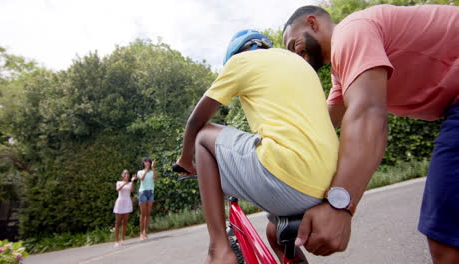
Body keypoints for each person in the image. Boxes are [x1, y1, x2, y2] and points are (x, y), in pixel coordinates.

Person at [283, 4, 459, 263]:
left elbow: (367, 114)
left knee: (445, 237)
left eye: (291, 44)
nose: (294, 56)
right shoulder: (341, 75)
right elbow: (322, 129)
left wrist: (340, 204)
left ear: (312, 23)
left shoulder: (351, 31)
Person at [174, 29, 339, 264]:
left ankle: (218, 249)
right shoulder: (295, 60)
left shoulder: (241, 62)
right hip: (329, 186)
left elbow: (195, 121)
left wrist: (185, 160)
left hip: (290, 179)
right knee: (275, 234)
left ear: (234, 55)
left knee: (202, 136)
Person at [113, 169, 136, 247]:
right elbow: (118, 189)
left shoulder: (130, 183)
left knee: (125, 222)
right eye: (125, 174)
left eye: (128, 174)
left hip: (127, 202)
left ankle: (123, 239)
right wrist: (124, 184)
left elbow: (132, 190)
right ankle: (116, 240)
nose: (127, 175)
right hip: (120, 202)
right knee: (117, 222)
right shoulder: (118, 182)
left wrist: (132, 181)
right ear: (122, 175)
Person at [137, 158, 158, 240]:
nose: (147, 163)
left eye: (149, 162)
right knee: (143, 214)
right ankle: (141, 233)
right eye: (145, 162)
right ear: (143, 163)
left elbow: (156, 177)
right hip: (143, 192)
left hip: (151, 192)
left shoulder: (152, 171)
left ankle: (145, 232)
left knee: (148, 214)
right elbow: (141, 178)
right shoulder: (140, 172)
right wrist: (146, 170)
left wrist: (152, 167)